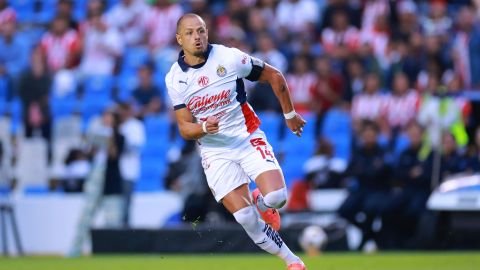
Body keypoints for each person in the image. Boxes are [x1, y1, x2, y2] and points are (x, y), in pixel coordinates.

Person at [165, 14, 307, 270]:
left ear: (207, 32)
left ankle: (262, 201)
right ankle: (293, 262)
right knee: (244, 217)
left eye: (201, 31)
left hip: (246, 137)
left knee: (277, 197)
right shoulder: (175, 78)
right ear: (179, 39)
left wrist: (289, 114)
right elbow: (185, 128)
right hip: (215, 152)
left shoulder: (229, 58)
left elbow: (275, 76)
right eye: (189, 33)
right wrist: (203, 127)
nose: (197, 37)